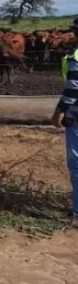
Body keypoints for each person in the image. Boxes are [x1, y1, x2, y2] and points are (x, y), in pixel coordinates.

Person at [51, 17, 78, 223]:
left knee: (76, 165)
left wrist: (59, 111)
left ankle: (77, 212)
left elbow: (73, 88)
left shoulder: (75, 57)